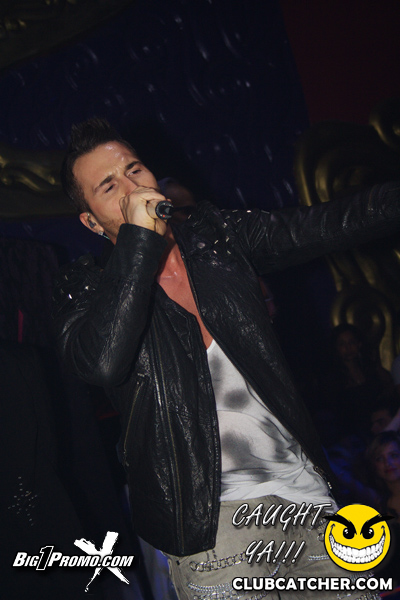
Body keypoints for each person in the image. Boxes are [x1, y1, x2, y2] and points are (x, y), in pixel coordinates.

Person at [53, 118, 400, 600]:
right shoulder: (87, 291)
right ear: (91, 222)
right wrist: (138, 242)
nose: (132, 188)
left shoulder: (218, 239)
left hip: (305, 500)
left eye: (135, 170)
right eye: (109, 186)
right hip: (212, 526)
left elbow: (326, 223)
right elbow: (101, 363)